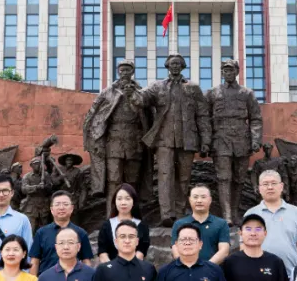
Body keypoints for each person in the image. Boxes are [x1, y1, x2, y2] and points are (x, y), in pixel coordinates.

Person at [139, 53, 212, 226]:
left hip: (187, 140)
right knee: (165, 176)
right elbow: (142, 99)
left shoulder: (193, 88)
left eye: (178, 63)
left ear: (183, 66)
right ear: (167, 66)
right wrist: (131, 92)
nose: (175, 66)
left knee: (184, 178)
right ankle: (166, 214)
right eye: (172, 63)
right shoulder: (157, 86)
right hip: (164, 140)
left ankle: (179, 212)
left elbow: (202, 115)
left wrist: (206, 140)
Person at [83, 60, 148, 206]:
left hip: (134, 141)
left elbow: (148, 112)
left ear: (132, 72)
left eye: (127, 70)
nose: (124, 73)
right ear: (118, 72)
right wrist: (94, 139)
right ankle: (111, 215)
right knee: (114, 180)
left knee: (133, 180)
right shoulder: (108, 92)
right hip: (113, 142)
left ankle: (133, 214)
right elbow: (93, 114)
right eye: (122, 70)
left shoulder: (141, 92)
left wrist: (133, 96)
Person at [206, 58, 263, 222]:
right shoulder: (212, 93)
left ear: (237, 72)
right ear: (222, 72)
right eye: (225, 70)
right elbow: (204, 119)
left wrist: (255, 139)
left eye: (231, 70)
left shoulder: (247, 93)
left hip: (241, 138)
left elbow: (256, 118)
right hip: (220, 138)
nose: (228, 73)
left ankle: (235, 211)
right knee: (224, 177)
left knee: (239, 178)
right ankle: (227, 215)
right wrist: (206, 141)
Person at [245, 169, 297, 280]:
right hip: (258, 275)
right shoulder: (251, 214)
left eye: (274, 183)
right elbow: (244, 246)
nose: (270, 187)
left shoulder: (296, 212)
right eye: (265, 184)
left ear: (281, 186)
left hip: (291, 274)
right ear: (259, 188)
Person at [29, 190, 94, 275]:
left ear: (71, 208)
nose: (61, 207)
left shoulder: (81, 233)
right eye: (57, 204)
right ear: (52, 209)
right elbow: (35, 261)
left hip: (74, 279)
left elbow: (86, 261)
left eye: (65, 204)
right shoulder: (41, 233)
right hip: (47, 280)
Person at [171, 185, 231, 265]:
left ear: (210, 200)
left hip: (212, 269)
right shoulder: (179, 224)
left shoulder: (221, 223)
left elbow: (224, 251)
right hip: (185, 270)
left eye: (203, 197)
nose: (199, 200)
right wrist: (188, 266)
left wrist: (206, 267)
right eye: (195, 197)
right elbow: (176, 251)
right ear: (190, 200)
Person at [96, 183, 151, 262]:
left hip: (134, 267)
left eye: (127, 199)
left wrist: (128, 267)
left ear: (133, 202)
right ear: (114, 202)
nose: (123, 203)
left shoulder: (142, 226)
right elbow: (102, 252)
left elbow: (141, 252)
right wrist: (111, 267)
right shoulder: (107, 225)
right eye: (119, 199)